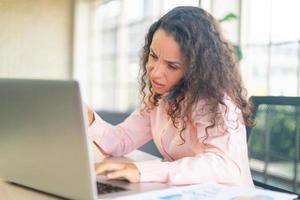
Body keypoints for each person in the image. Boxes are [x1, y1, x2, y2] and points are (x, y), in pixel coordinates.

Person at [87, 6, 254, 187]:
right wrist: (86, 116)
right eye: (153, 55)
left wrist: (143, 170)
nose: (156, 73)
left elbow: (224, 166)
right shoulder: (161, 96)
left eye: (172, 66)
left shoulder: (217, 103)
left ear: (196, 69)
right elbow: (122, 140)